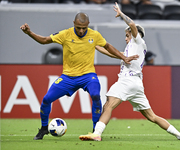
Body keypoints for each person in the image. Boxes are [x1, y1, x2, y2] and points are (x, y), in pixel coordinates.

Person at [79, 2, 180, 141]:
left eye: (127, 35)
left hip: (127, 81)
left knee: (108, 105)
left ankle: (97, 134)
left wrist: (121, 14)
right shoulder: (130, 49)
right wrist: (93, 44)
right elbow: (112, 53)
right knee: (152, 116)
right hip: (136, 84)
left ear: (134, 34)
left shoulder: (138, 41)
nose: (125, 38)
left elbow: (132, 25)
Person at [20, 12, 138, 140]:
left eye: (84, 28)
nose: (81, 31)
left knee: (95, 95)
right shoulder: (65, 34)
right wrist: (29, 33)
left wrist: (123, 57)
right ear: (74, 24)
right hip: (68, 77)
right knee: (46, 99)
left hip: (88, 76)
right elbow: (44, 40)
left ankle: (95, 131)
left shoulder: (95, 35)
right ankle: (43, 128)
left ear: (88, 25)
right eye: (78, 28)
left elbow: (108, 47)